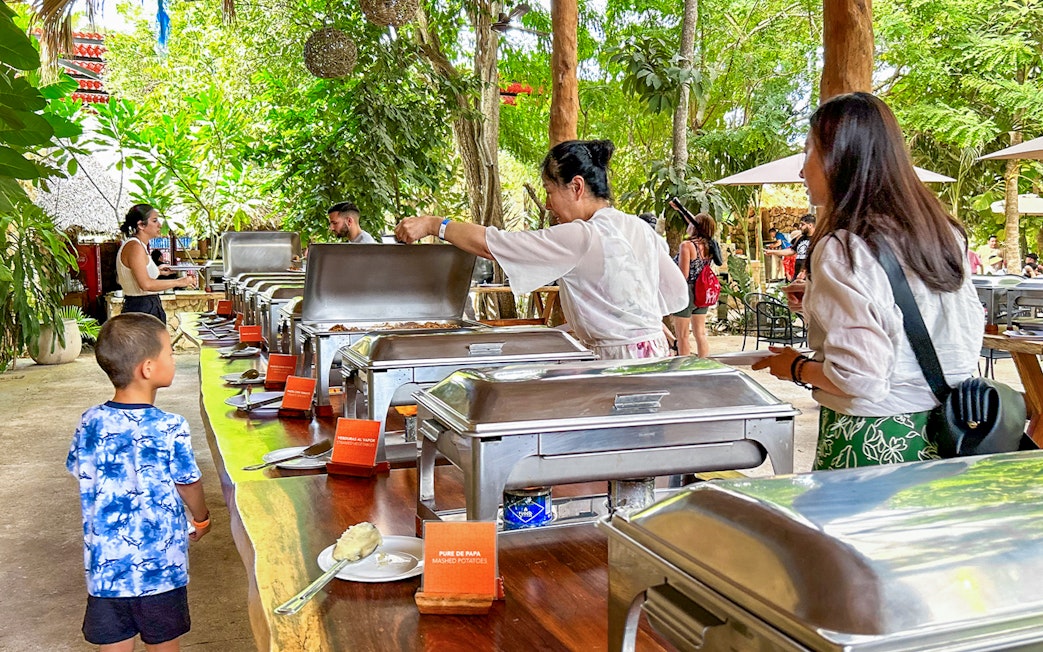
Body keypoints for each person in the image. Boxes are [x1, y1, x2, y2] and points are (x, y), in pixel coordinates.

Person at [751, 92, 982, 470]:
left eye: (808, 152)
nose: (801, 170)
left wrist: (793, 367)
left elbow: (859, 379)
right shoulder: (942, 233)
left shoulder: (844, 247)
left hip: (871, 438)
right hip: (949, 432)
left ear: (841, 158)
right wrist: (818, 300)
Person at [395, 139, 689, 359]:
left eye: (550, 192)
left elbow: (493, 244)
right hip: (656, 356)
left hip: (616, 364)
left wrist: (435, 225)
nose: (548, 205)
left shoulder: (581, 236)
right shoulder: (638, 228)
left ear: (576, 187)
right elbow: (670, 292)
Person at [67, 312, 212, 651]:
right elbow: (188, 482)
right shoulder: (170, 426)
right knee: (164, 644)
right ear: (148, 368)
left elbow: (81, 469)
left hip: (107, 571)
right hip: (160, 570)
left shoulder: (89, 422)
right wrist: (202, 517)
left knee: (114, 644)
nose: (173, 359)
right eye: (170, 353)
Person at [117, 205, 197, 323]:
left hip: (145, 305)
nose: (159, 225)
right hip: (141, 308)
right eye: (154, 221)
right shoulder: (135, 247)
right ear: (141, 225)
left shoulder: (139, 245)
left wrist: (158, 270)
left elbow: (138, 273)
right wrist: (180, 282)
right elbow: (145, 284)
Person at [672, 212, 722, 357]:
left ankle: (685, 368)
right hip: (703, 290)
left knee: (682, 336)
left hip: (687, 291)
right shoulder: (710, 246)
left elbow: (684, 275)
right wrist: (680, 209)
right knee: (700, 333)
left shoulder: (687, 246)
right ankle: (704, 365)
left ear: (695, 227)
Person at [765, 214, 815, 280]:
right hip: (798, 274)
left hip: (810, 276)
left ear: (810, 225)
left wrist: (805, 271)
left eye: (802, 224)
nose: (800, 227)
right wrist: (773, 251)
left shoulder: (818, 239)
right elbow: (791, 251)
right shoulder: (801, 238)